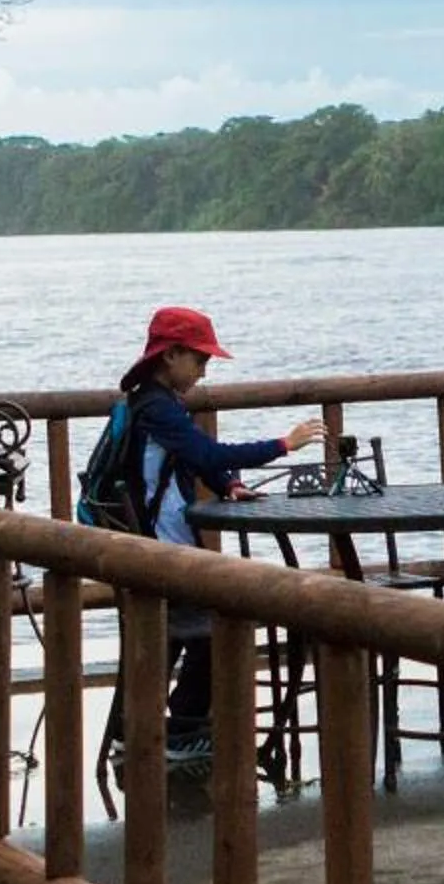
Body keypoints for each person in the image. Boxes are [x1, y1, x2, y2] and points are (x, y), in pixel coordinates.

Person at [115, 306, 323, 765]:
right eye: (200, 361)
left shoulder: (150, 402)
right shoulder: (157, 407)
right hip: (161, 548)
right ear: (171, 355)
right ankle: (182, 730)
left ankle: (128, 730)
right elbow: (207, 450)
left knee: (174, 633)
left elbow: (194, 459)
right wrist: (282, 445)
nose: (204, 371)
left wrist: (228, 483)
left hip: (156, 544)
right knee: (220, 621)